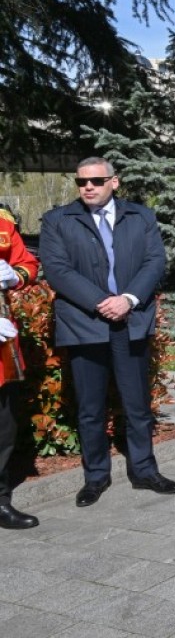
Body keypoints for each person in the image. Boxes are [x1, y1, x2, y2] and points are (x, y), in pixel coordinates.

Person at [40, 157, 175, 507]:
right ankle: (95, 478)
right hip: (85, 325)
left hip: (131, 322)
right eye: (81, 182)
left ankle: (145, 471)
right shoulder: (58, 220)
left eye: (96, 181)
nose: (88, 187)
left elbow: (155, 261)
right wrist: (103, 301)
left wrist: (129, 299)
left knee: (137, 405)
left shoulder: (141, 216)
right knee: (90, 408)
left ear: (114, 182)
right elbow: (57, 270)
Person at [0, 206, 40, 528]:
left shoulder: (2, 222)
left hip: (2, 351)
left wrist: (15, 275)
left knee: (3, 429)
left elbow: (27, 262)